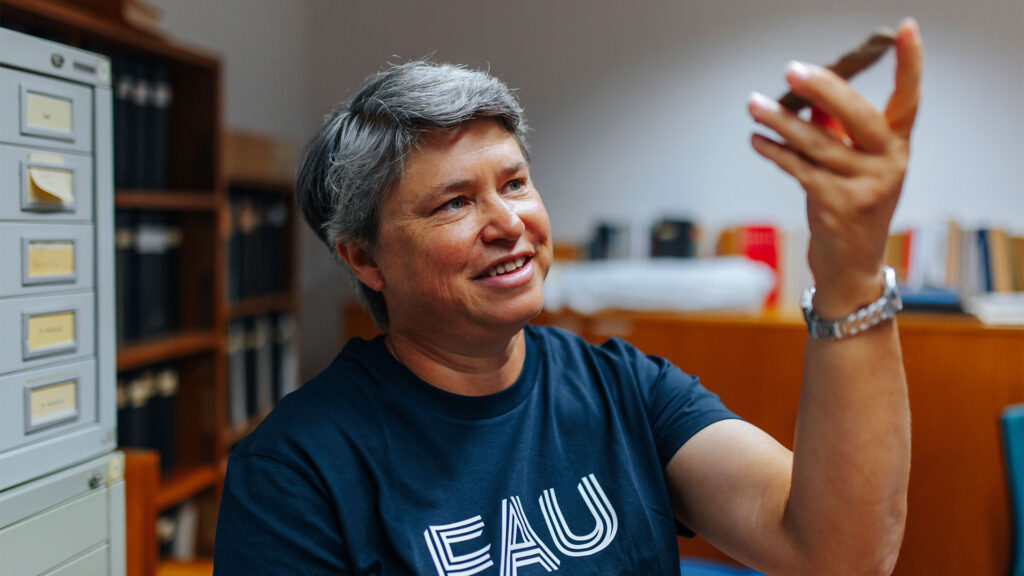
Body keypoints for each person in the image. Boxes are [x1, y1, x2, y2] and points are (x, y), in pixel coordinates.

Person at [214, 18, 923, 575]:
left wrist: (852, 273)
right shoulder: (295, 470)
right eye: (454, 203)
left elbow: (840, 553)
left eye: (514, 182)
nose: (509, 223)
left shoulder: (626, 390)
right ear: (364, 258)